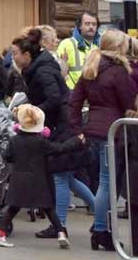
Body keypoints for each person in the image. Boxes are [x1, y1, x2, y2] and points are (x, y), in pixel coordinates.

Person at [11, 27, 94, 239]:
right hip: (63, 121)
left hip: (63, 123)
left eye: (15, 54)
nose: (13, 57)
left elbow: (54, 98)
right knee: (67, 177)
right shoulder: (38, 67)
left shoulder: (42, 70)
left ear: (27, 55)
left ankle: (61, 226)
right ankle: (102, 213)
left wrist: (32, 112)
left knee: (59, 175)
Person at [69, 28, 137, 251]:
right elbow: (128, 100)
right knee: (107, 184)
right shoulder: (117, 71)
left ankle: (101, 230)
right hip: (113, 130)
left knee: (104, 182)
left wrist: (77, 127)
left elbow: (75, 100)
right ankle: (100, 230)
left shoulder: (91, 68)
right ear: (119, 47)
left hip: (94, 131)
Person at [0, 105, 84, 249]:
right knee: (48, 207)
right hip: (39, 179)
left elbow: (7, 157)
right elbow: (59, 149)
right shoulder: (41, 142)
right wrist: (76, 141)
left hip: (18, 179)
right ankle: (61, 233)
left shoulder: (14, 140)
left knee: (13, 208)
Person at [58, 11, 100, 90]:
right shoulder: (67, 44)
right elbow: (58, 71)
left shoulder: (98, 47)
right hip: (72, 93)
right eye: (87, 24)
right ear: (79, 26)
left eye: (94, 24)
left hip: (93, 94)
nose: (91, 27)